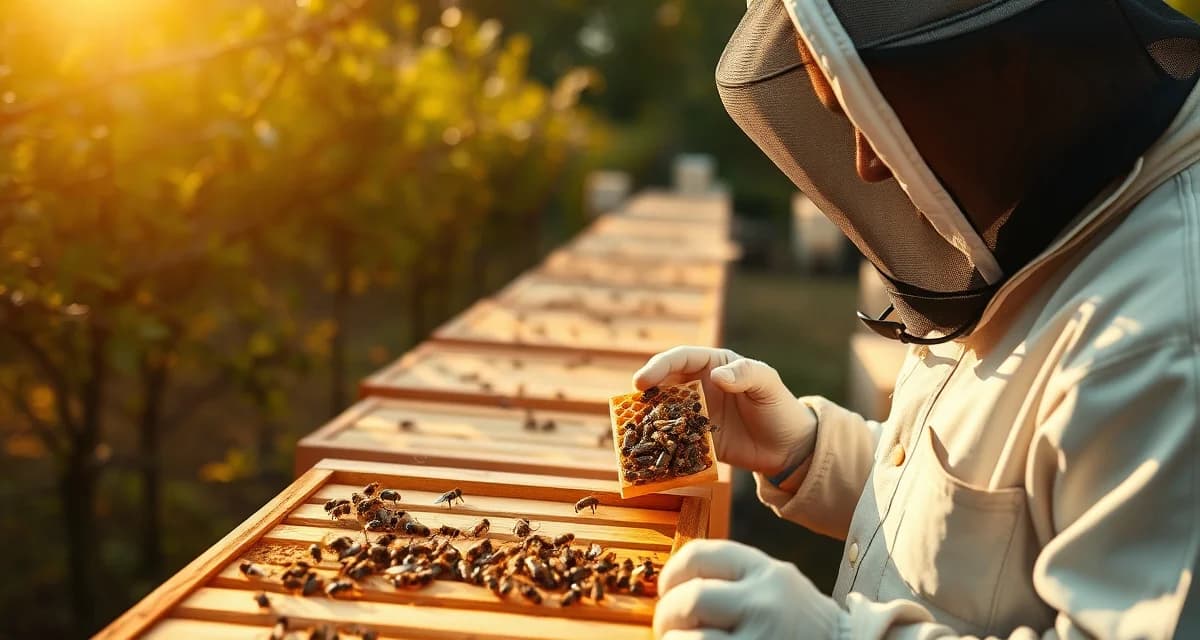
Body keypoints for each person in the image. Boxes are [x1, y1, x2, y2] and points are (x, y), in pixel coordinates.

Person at [645, 0, 1200, 638]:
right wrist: (807, 449)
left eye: (872, 107)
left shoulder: (1167, 340)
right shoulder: (1042, 206)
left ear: (997, 59)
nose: (866, 163)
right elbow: (984, 521)